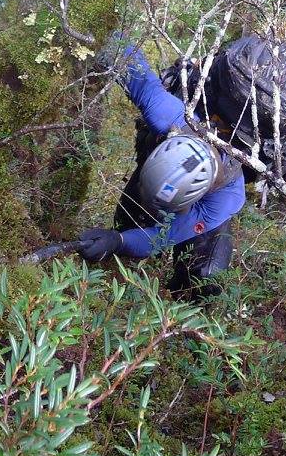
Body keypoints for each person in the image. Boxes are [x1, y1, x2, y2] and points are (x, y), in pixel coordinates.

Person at [78, 39, 245, 294]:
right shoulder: (167, 115)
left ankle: (186, 306)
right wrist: (96, 32)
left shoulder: (223, 200)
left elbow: (163, 236)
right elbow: (130, 63)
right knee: (131, 219)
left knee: (205, 277)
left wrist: (118, 242)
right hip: (168, 161)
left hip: (212, 200)